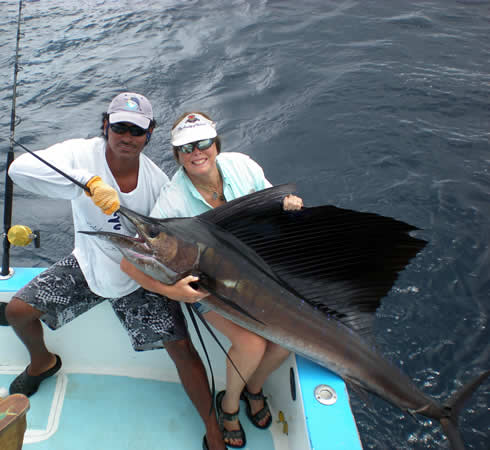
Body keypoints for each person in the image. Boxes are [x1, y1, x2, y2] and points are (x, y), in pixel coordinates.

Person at [1, 95, 226, 450]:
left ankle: (212, 427)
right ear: (106, 125)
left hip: (139, 277)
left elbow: (170, 244)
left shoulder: (156, 183)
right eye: (120, 126)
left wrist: (171, 287)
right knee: (16, 311)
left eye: (137, 130)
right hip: (88, 265)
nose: (127, 135)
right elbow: (18, 170)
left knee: (182, 348)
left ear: (149, 134)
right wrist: (86, 182)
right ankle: (43, 363)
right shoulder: (81, 153)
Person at [121, 111, 303, 448]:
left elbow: (270, 202)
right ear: (177, 156)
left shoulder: (242, 166)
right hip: (208, 289)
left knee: (286, 340)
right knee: (252, 344)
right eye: (186, 148)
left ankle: (254, 387)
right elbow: (128, 265)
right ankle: (230, 405)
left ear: (216, 145)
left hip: (256, 279)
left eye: (203, 143)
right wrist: (171, 290)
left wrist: (286, 204)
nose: (196, 152)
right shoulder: (172, 200)